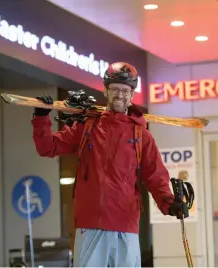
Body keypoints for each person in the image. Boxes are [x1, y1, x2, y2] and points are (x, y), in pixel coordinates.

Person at [31, 62, 185, 267]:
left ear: (132, 95)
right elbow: (47, 148)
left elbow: (155, 176)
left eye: (125, 90)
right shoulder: (87, 127)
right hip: (90, 225)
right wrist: (41, 118)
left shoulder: (142, 136)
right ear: (105, 90)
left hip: (126, 226)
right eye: (114, 89)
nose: (120, 95)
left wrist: (169, 203)